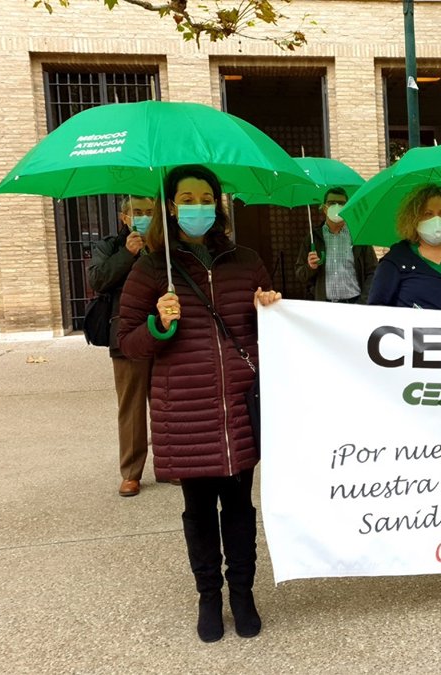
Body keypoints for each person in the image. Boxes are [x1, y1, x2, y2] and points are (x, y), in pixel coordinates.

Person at [117, 165, 281, 643]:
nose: (198, 207)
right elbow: (127, 342)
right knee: (199, 510)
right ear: (170, 207)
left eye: (206, 197)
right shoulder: (152, 269)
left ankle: (243, 594)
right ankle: (209, 596)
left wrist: (270, 305)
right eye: (187, 199)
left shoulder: (246, 261)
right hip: (185, 410)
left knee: (239, 507)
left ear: (218, 203)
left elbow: (269, 331)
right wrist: (158, 325)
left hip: (239, 406)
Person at [87, 195, 162, 497]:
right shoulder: (110, 246)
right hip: (126, 334)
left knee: (165, 401)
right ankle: (131, 472)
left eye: (149, 211)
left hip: (163, 331)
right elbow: (98, 280)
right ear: (124, 217)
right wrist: (127, 254)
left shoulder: (164, 244)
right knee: (131, 406)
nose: (144, 216)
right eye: (137, 211)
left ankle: (169, 463)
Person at [294, 187, 379, 303]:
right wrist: (310, 268)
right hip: (324, 305)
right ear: (324, 208)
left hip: (354, 304)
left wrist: (363, 301)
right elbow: (300, 274)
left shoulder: (358, 237)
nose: (337, 206)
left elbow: (373, 272)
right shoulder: (313, 238)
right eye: (332, 203)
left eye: (341, 203)